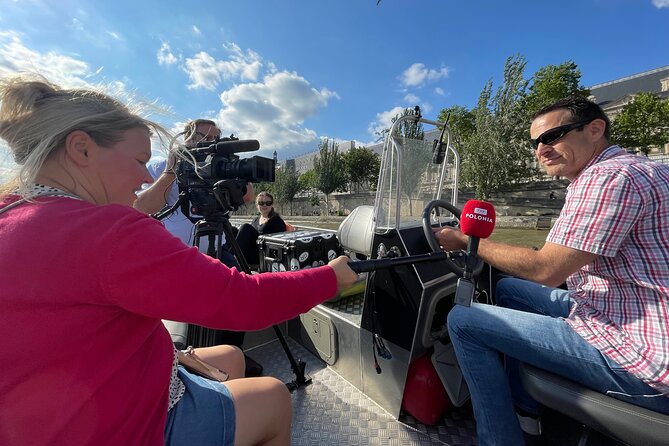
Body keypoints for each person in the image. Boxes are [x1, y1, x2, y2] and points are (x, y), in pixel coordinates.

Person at [0, 74, 358, 446]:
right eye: (140, 160)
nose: (142, 175)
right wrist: (329, 278)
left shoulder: (13, 213)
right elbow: (243, 299)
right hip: (114, 426)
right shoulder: (107, 230)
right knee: (273, 397)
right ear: (82, 149)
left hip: (62, 405)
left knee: (233, 356)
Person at [435, 97, 669, 445]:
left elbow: (546, 269)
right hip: (617, 311)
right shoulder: (642, 167)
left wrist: (468, 242)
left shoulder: (608, 178)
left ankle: (499, 439)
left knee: (462, 321)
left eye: (554, 135)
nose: (542, 148)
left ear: (595, 129)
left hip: (642, 357)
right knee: (509, 289)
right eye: (536, 142)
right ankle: (526, 411)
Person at [135, 119, 260, 376]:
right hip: (177, 256)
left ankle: (231, 356)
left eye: (216, 137)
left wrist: (236, 172)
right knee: (193, 308)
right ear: (187, 140)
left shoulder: (219, 168)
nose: (211, 143)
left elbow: (248, 197)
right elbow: (142, 207)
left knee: (243, 298)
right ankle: (197, 366)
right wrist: (172, 170)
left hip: (220, 247)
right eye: (204, 137)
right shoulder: (161, 167)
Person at [235, 191, 287, 266]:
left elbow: (281, 243)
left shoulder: (276, 220)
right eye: (261, 203)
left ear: (272, 205)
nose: (264, 205)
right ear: (257, 205)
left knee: (245, 227)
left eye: (268, 203)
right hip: (250, 252)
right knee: (232, 229)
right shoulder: (255, 220)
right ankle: (226, 255)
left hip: (263, 254)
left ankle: (232, 257)